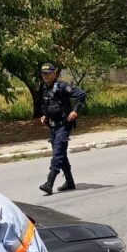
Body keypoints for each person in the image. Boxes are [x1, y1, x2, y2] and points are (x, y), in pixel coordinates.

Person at [33, 62, 86, 195]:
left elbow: (81, 95)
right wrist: (44, 116)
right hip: (52, 126)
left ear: (54, 73)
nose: (45, 76)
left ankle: (49, 183)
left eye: (48, 73)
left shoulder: (62, 86)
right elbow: (46, 105)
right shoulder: (44, 88)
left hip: (63, 125)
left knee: (57, 154)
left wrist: (75, 111)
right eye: (43, 73)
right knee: (61, 154)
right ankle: (70, 182)